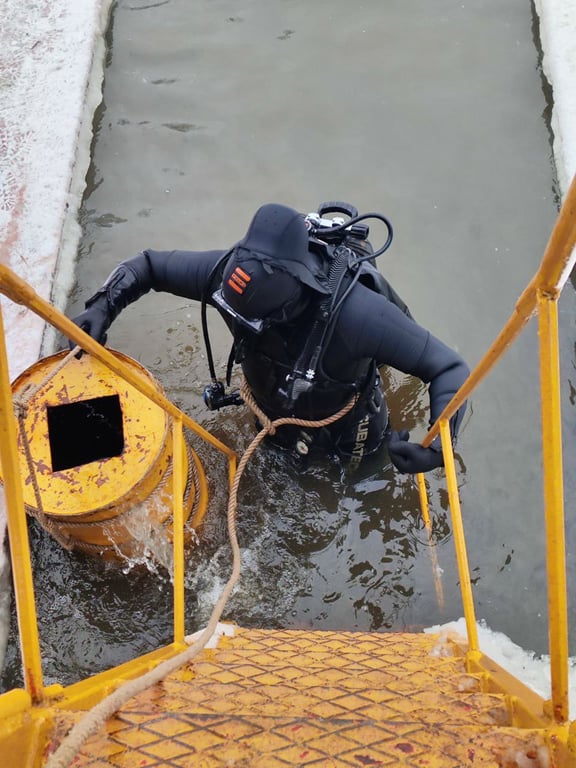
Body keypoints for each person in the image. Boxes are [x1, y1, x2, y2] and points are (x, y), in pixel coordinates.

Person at [70, 202, 469, 473]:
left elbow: (449, 367)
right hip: (274, 417)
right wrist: (102, 306)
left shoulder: (358, 316)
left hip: (350, 430)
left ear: (297, 296)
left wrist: (438, 449)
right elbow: (148, 265)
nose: (244, 326)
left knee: (361, 489)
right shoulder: (224, 276)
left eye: (259, 321)